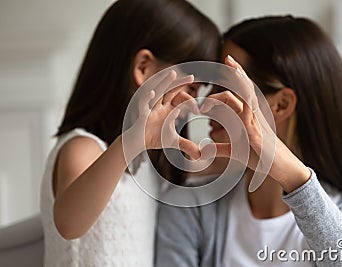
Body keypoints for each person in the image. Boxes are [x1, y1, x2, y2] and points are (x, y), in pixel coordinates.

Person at [155, 16, 342, 266]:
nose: (206, 104)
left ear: (281, 104)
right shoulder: (191, 208)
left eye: (225, 86)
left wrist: (295, 179)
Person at [39, 0, 220, 266]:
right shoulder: (82, 147)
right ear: (143, 67)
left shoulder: (146, 161)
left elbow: (218, 163)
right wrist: (131, 143)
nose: (192, 104)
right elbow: (68, 224)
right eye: (193, 88)